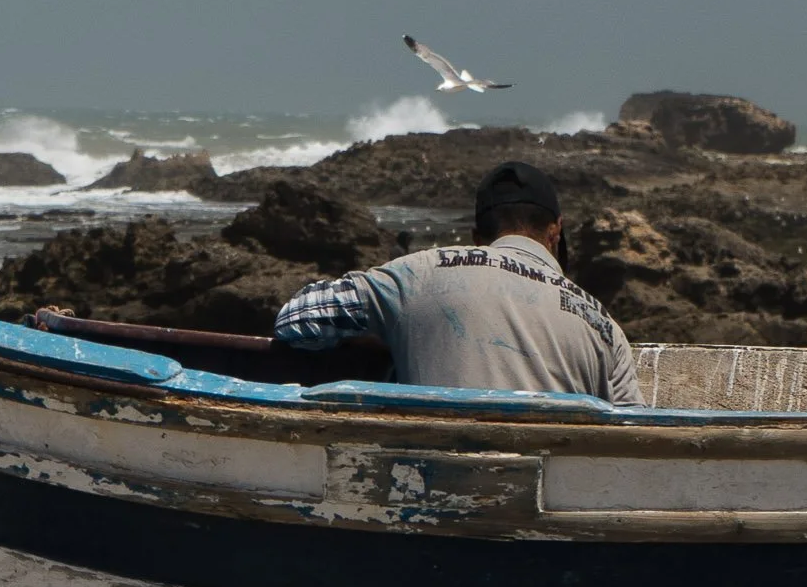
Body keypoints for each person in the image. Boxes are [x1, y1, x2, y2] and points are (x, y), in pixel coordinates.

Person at [274, 160, 643, 405]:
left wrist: (389, 330)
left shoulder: (418, 273)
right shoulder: (604, 326)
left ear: (476, 236)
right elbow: (634, 434)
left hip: (435, 494)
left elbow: (296, 320)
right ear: (556, 230)